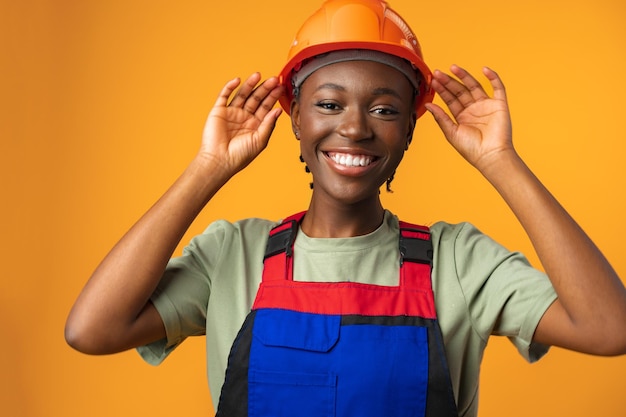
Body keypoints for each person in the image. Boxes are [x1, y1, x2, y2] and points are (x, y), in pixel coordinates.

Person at [64, 0, 626, 416]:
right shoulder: (233, 255)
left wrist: (501, 160)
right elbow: (92, 329)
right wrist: (209, 166)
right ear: (297, 118)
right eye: (329, 104)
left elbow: (609, 328)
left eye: (384, 110)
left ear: (410, 128)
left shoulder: (456, 261)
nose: (354, 128)